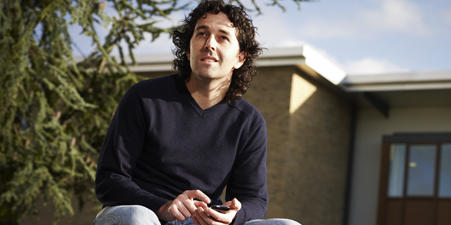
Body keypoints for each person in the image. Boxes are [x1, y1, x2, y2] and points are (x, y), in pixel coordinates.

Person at [93, 1, 299, 225]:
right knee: (136, 217)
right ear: (188, 47)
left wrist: (233, 216)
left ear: (240, 58)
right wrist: (164, 207)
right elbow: (109, 179)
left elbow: (254, 199)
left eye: (222, 37)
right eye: (202, 34)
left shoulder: (248, 121)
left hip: (200, 221)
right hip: (141, 214)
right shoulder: (143, 97)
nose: (209, 44)